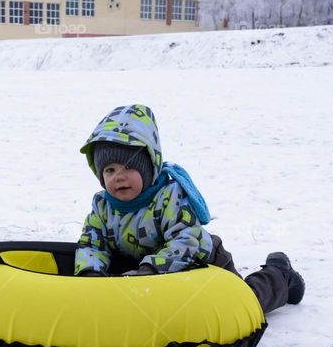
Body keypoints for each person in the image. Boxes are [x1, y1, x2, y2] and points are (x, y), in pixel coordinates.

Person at [74, 104, 304, 314]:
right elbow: (92, 243)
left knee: (242, 304)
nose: (119, 177)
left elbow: (185, 241)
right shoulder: (103, 206)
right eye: (110, 170)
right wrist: (91, 274)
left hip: (203, 264)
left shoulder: (168, 197)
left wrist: (148, 272)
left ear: (148, 168)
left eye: (128, 167)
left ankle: (280, 275)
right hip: (152, 277)